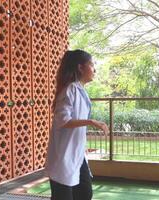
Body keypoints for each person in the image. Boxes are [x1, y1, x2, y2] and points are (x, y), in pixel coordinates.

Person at [45, 49, 109, 200]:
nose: (95, 69)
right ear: (80, 67)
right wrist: (91, 122)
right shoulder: (70, 89)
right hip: (64, 156)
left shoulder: (80, 90)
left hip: (77, 155)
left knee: (85, 193)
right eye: (92, 65)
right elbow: (63, 120)